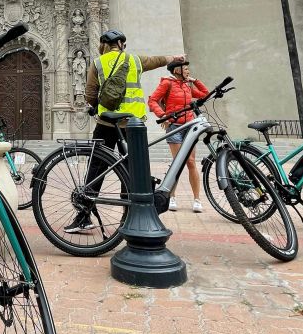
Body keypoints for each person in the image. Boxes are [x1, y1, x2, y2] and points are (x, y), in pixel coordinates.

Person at [64, 29, 182, 233]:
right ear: (120, 44)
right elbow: (155, 60)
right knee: (132, 171)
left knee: (96, 169)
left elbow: (90, 94)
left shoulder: (98, 63)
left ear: (104, 45)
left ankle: (84, 216)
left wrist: (97, 104)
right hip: (133, 126)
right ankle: (129, 217)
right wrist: (174, 58)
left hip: (107, 124)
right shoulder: (135, 60)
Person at [148, 59, 209, 212]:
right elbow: (152, 100)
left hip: (190, 126)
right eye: (186, 69)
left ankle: (197, 200)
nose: (188, 71)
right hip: (174, 126)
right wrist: (164, 116)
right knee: (177, 162)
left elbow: (204, 94)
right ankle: (171, 196)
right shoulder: (167, 83)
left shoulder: (187, 85)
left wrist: (195, 81)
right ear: (176, 70)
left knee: (191, 162)